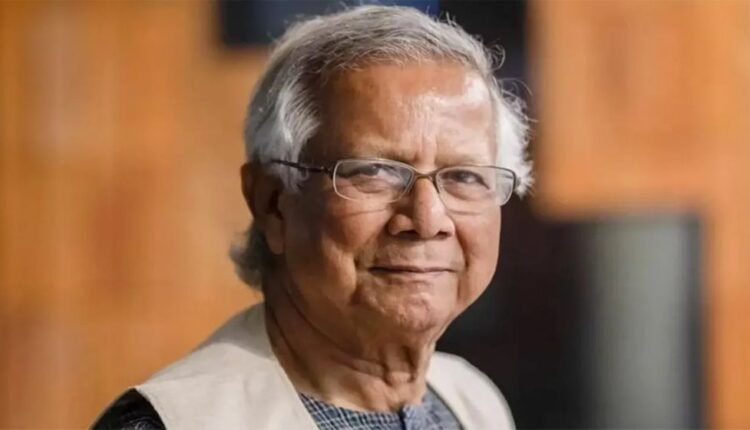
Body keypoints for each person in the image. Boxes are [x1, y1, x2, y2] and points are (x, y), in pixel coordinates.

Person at [93, 5, 532, 429]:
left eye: (465, 177)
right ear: (273, 203)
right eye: (374, 172)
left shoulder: (473, 404)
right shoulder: (172, 424)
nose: (427, 219)